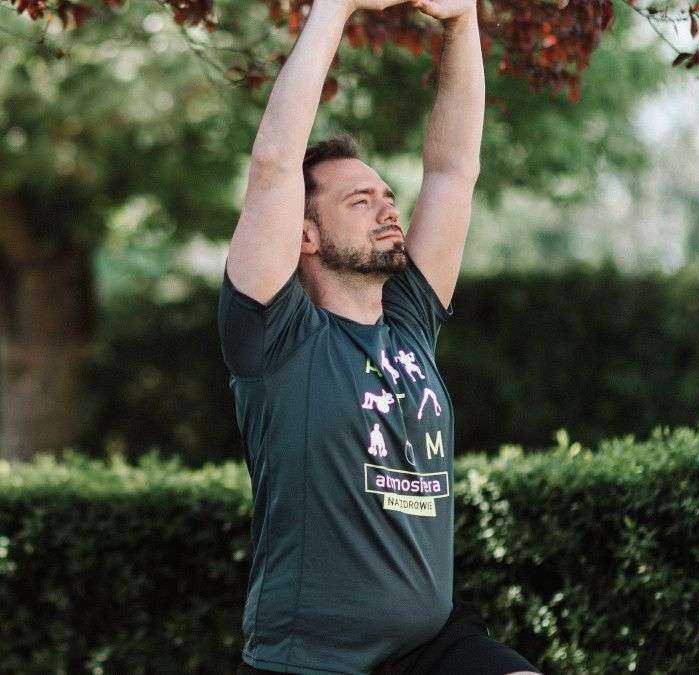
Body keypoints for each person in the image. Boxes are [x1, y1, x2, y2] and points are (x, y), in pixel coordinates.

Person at [219, 1, 538, 673]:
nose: (388, 207)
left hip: (429, 648)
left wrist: (461, 20)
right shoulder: (277, 336)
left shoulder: (409, 323)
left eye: (386, 194)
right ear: (303, 234)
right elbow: (275, 164)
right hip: (310, 661)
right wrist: (334, 8)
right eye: (359, 201)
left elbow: (453, 169)